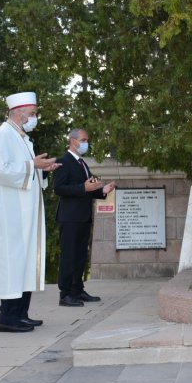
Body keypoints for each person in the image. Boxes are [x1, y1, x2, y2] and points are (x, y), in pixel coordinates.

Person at [0, 92, 61, 332]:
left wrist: (43, 169)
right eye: (32, 112)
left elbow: (24, 170)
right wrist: (31, 166)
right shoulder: (2, 136)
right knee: (13, 263)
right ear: (19, 111)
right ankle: (7, 318)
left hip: (24, 214)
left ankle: (21, 313)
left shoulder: (22, 139)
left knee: (24, 262)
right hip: (10, 215)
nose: (34, 117)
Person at [54, 128, 116, 307]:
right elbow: (59, 188)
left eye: (87, 140)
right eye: (83, 139)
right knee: (69, 256)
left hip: (83, 217)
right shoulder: (63, 161)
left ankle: (77, 290)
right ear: (73, 141)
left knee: (80, 256)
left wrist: (102, 191)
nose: (86, 143)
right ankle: (65, 294)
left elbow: (87, 190)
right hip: (70, 217)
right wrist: (83, 188)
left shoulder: (82, 163)